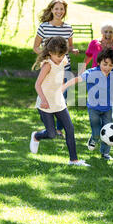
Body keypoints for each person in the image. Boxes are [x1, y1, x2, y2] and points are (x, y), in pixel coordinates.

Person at [30, 36, 90, 167]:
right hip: (45, 103)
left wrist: (62, 90)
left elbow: (60, 77)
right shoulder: (47, 65)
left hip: (58, 101)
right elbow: (37, 85)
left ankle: (73, 160)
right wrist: (44, 100)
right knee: (51, 134)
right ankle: (36, 136)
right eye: (58, 56)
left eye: (63, 55)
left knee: (70, 128)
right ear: (50, 53)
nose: (61, 58)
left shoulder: (63, 59)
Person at [33, 0, 79, 138]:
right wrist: (46, 56)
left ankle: (58, 130)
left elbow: (68, 47)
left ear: (65, 11)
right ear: (51, 10)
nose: (59, 11)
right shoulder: (43, 27)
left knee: (62, 97)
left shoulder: (68, 28)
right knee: (47, 93)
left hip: (64, 67)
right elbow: (35, 47)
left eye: (62, 9)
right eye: (57, 8)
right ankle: (48, 124)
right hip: (49, 68)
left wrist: (73, 50)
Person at [79, 21, 113, 108]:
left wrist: (106, 70)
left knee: (110, 106)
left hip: (112, 80)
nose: (108, 34)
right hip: (95, 79)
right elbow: (88, 57)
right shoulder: (94, 43)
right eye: (106, 31)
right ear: (101, 32)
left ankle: (108, 121)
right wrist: (82, 69)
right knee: (94, 105)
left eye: (111, 32)